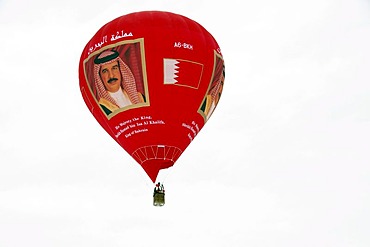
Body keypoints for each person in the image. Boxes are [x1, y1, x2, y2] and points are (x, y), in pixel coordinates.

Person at [93, 50, 145, 115]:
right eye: (105, 71)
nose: (111, 76)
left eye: (114, 68)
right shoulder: (101, 108)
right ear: (100, 77)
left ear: (121, 71)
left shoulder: (140, 98)